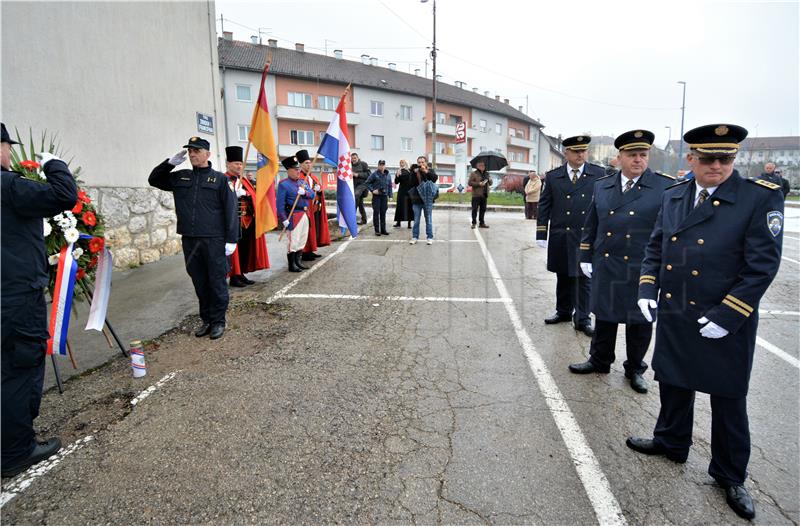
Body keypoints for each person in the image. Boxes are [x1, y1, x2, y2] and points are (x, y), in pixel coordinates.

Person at [627, 124, 784, 521]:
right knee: (674, 381)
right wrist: (647, 288)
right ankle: (671, 441)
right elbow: (656, 246)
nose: (717, 165)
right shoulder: (676, 194)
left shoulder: (757, 198)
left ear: (734, 159)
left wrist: (729, 314)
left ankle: (730, 474)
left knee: (728, 397)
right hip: (678, 308)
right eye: (708, 157)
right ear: (690, 159)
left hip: (724, 316)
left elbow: (761, 267)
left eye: (726, 158)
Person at [568, 130, 675, 394]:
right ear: (620, 157)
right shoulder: (602, 185)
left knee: (639, 321)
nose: (638, 159)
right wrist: (585, 255)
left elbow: (669, 231)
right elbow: (591, 224)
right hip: (606, 260)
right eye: (632, 154)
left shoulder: (664, 186)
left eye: (643, 154)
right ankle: (599, 359)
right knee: (604, 314)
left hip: (641, 265)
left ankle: (635, 368)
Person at [1, 122, 78, 477]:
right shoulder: (9, 186)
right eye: (7, 146)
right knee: (19, 370)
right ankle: (16, 451)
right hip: (15, 299)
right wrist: (55, 165)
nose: (10, 152)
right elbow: (64, 195)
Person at [149, 137, 238, 340]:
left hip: (214, 240)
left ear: (207, 154)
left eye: (197, 151)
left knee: (216, 282)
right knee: (199, 281)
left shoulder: (220, 180)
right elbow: (154, 180)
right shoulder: (181, 177)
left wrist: (231, 240)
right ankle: (206, 320)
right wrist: (169, 164)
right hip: (190, 240)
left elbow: (231, 211)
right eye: (190, 151)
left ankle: (218, 321)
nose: (192, 154)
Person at [536, 135, 605, 336]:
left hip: (586, 236)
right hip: (561, 233)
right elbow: (545, 204)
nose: (580, 154)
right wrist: (542, 232)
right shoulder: (553, 176)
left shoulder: (599, 174)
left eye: (583, 151)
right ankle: (563, 311)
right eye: (576, 151)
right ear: (566, 153)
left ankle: (583, 318)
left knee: (584, 279)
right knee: (563, 274)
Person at [224, 146, 269, 287]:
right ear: (228, 164)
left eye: (240, 163)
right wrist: (234, 195)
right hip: (232, 222)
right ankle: (234, 276)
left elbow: (253, 197)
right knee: (234, 251)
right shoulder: (223, 179)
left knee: (244, 249)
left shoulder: (243, 180)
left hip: (248, 221)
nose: (238, 166)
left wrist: (247, 195)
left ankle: (241, 273)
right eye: (235, 163)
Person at [276, 156, 315, 272]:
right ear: (288, 170)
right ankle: (292, 264)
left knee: (302, 239)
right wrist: (283, 218)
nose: (298, 171)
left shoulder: (303, 182)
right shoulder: (283, 184)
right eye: (295, 169)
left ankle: (298, 261)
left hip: (304, 213)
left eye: (298, 169)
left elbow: (312, 195)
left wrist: (305, 193)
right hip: (293, 215)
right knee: (293, 241)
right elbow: (280, 204)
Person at [296, 149, 330, 261]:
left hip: (315, 208)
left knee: (314, 229)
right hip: (306, 209)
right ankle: (305, 252)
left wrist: (319, 190)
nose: (309, 164)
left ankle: (311, 249)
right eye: (306, 163)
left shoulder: (313, 177)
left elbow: (320, 190)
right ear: (301, 165)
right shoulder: (300, 177)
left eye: (309, 162)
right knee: (307, 230)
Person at [409, 155, 438, 245]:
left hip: (428, 200)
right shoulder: (415, 172)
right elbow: (411, 183)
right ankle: (415, 237)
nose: (421, 164)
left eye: (422, 162)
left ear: (426, 163)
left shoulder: (430, 170)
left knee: (428, 219)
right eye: (419, 162)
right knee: (416, 220)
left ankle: (429, 237)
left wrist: (426, 172)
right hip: (417, 200)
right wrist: (414, 173)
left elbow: (434, 179)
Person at [366, 160, 392, 235]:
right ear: (378, 166)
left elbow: (390, 186)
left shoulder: (388, 174)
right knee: (376, 213)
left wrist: (390, 195)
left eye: (383, 165)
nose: (382, 166)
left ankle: (383, 230)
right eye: (380, 165)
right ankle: (377, 230)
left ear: (385, 166)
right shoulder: (374, 174)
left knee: (383, 213)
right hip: (376, 197)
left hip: (384, 197)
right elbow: (367, 183)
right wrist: (373, 190)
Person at [468, 160, 492, 228]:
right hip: (476, 195)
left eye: (483, 165)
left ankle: (482, 223)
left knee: (483, 209)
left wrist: (490, 179)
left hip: (484, 194)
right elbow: (469, 183)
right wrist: (478, 184)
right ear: (477, 166)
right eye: (481, 165)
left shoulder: (487, 174)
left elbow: (490, 183)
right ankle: (474, 223)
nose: (482, 167)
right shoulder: (474, 173)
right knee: (474, 209)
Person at [351, 152, 371, 225]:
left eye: (355, 158)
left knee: (356, 196)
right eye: (352, 158)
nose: (353, 159)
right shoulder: (349, 165)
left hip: (362, 185)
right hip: (354, 186)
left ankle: (352, 218)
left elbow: (369, 175)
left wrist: (357, 174)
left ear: (357, 158)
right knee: (360, 203)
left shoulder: (363, 164)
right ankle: (364, 219)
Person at [393, 159, 413, 228]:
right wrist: (397, 175)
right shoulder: (399, 171)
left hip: (409, 191)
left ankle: (409, 224)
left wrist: (400, 175)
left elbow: (410, 179)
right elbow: (396, 182)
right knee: (400, 206)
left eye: (403, 162)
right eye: (400, 162)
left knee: (409, 207)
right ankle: (398, 223)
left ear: (406, 163)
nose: (401, 163)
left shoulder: (409, 171)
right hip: (401, 191)